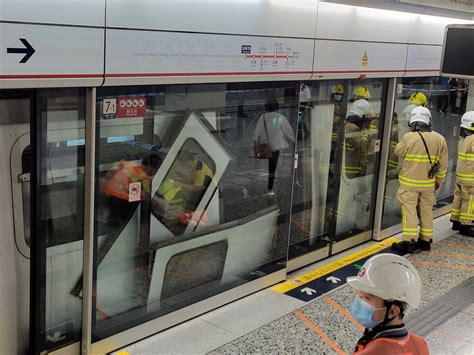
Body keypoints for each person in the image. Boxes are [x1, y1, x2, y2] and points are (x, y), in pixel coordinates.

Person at [347, 253, 429, 354]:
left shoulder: (371, 352)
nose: (358, 301)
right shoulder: (420, 344)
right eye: (359, 294)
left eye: (367, 297)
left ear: (392, 311)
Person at [392, 106, 448, 253]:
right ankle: (426, 240)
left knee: (409, 211)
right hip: (428, 184)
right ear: (428, 121)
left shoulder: (408, 138)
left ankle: (409, 241)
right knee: (426, 210)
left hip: (409, 183)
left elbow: (398, 151)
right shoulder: (439, 139)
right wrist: (439, 181)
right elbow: (443, 165)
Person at [254, 98, 295, 196]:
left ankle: (270, 187)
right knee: (274, 167)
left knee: (268, 166)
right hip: (277, 146)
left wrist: (255, 141)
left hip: (265, 146)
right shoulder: (281, 117)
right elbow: (288, 132)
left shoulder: (262, 117)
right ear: (277, 107)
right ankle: (270, 188)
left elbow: (256, 132)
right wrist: (294, 141)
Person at [450, 111, 474, 237]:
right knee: (469, 200)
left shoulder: (463, 140)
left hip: (461, 176)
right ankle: (466, 225)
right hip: (471, 178)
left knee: (458, 197)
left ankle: (455, 220)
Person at [343, 99, 372, 178]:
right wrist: (366, 130)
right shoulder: (352, 128)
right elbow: (362, 145)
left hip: (352, 166)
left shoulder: (348, 124)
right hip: (353, 169)